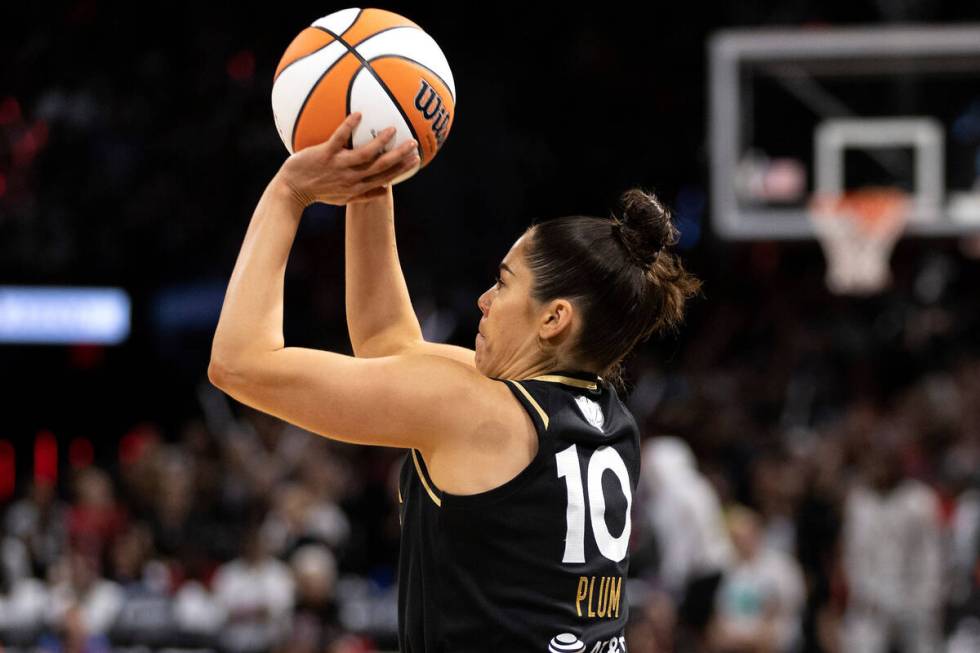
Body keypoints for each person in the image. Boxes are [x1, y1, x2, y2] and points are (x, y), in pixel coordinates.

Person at [208, 112, 700, 650]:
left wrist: (290, 190)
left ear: (554, 318)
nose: (484, 301)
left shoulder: (475, 410)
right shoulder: (606, 416)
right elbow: (389, 347)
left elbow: (239, 363)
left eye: (503, 284)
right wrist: (369, 183)